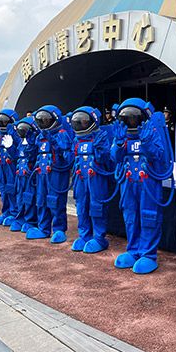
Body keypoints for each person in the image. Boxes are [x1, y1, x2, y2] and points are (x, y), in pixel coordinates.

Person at [110, 98, 174, 274]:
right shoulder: (122, 135)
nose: (131, 122)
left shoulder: (151, 132)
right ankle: (133, 250)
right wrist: (118, 143)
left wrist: (147, 143)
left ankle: (148, 254)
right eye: (127, 119)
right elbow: (115, 158)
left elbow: (158, 155)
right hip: (128, 181)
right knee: (130, 216)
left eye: (134, 118)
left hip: (148, 182)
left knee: (149, 216)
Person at [25, 105, 74, 243]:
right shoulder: (40, 136)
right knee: (41, 200)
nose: (43, 123)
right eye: (41, 120)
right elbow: (31, 156)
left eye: (46, 120)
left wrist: (56, 144)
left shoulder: (62, 134)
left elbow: (68, 158)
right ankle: (43, 228)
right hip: (41, 173)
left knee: (55, 201)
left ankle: (59, 229)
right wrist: (30, 145)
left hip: (56, 173)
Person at [70, 106, 113, 253]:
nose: (81, 124)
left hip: (96, 177)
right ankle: (84, 236)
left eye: (83, 121)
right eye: (78, 121)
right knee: (81, 206)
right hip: (80, 176)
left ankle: (99, 238)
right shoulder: (76, 139)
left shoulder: (101, 136)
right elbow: (71, 156)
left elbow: (104, 157)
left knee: (96, 206)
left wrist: (97, 146)